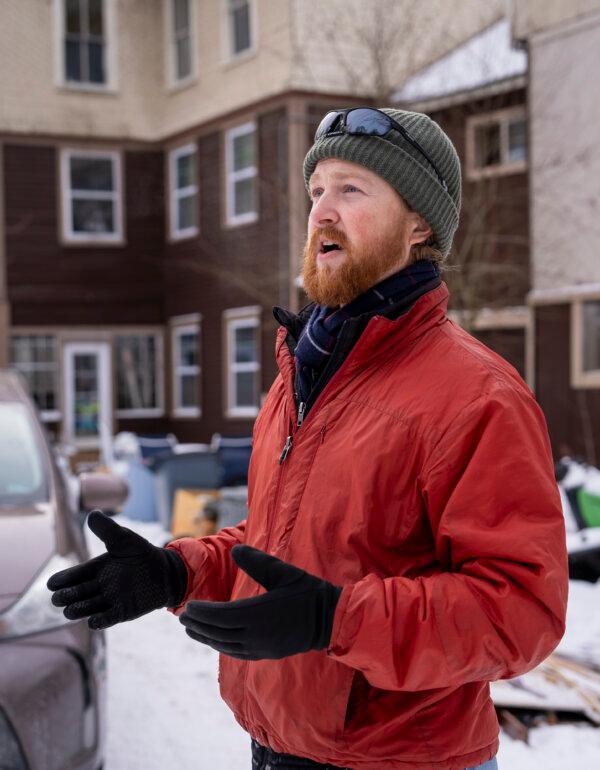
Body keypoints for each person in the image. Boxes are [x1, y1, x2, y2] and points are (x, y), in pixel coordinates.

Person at [48, 108, 568, 770]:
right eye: (317, 189)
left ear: (419, 226)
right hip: (278, 744)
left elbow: (522, 609)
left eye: (352, 189)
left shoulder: (477, 396)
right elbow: (283, 542)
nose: (322, 210)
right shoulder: (305, 369)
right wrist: (176, 570)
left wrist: (336, 620)